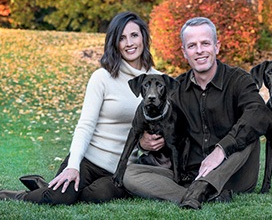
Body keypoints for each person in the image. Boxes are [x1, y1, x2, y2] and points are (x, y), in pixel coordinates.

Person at [0, 11, 160, 204]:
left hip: (122, 168)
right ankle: (16, 195)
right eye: (122, 38)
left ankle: (44, 186)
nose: (129, 43)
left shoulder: (158, 81)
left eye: (134, 35)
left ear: (143, 36)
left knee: (97, 195)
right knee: (60, 196)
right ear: (114, 43)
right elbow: (86, 124)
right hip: (89, 160)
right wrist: (73, 165)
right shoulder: (102, 77)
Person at [123, 17, 272, 210]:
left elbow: (261, 115)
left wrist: (221, 150)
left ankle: (204, 188)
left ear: (216, 46)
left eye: (205, 43)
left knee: (247, 132)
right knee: (130, 174)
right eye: (192, 46)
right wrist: (144, 142)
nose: (199, 50)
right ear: (184, 52)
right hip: (191, 175)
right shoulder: (175, 89)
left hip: (233, 175)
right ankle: (197, 195)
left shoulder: (238, 80)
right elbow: (156, 121)